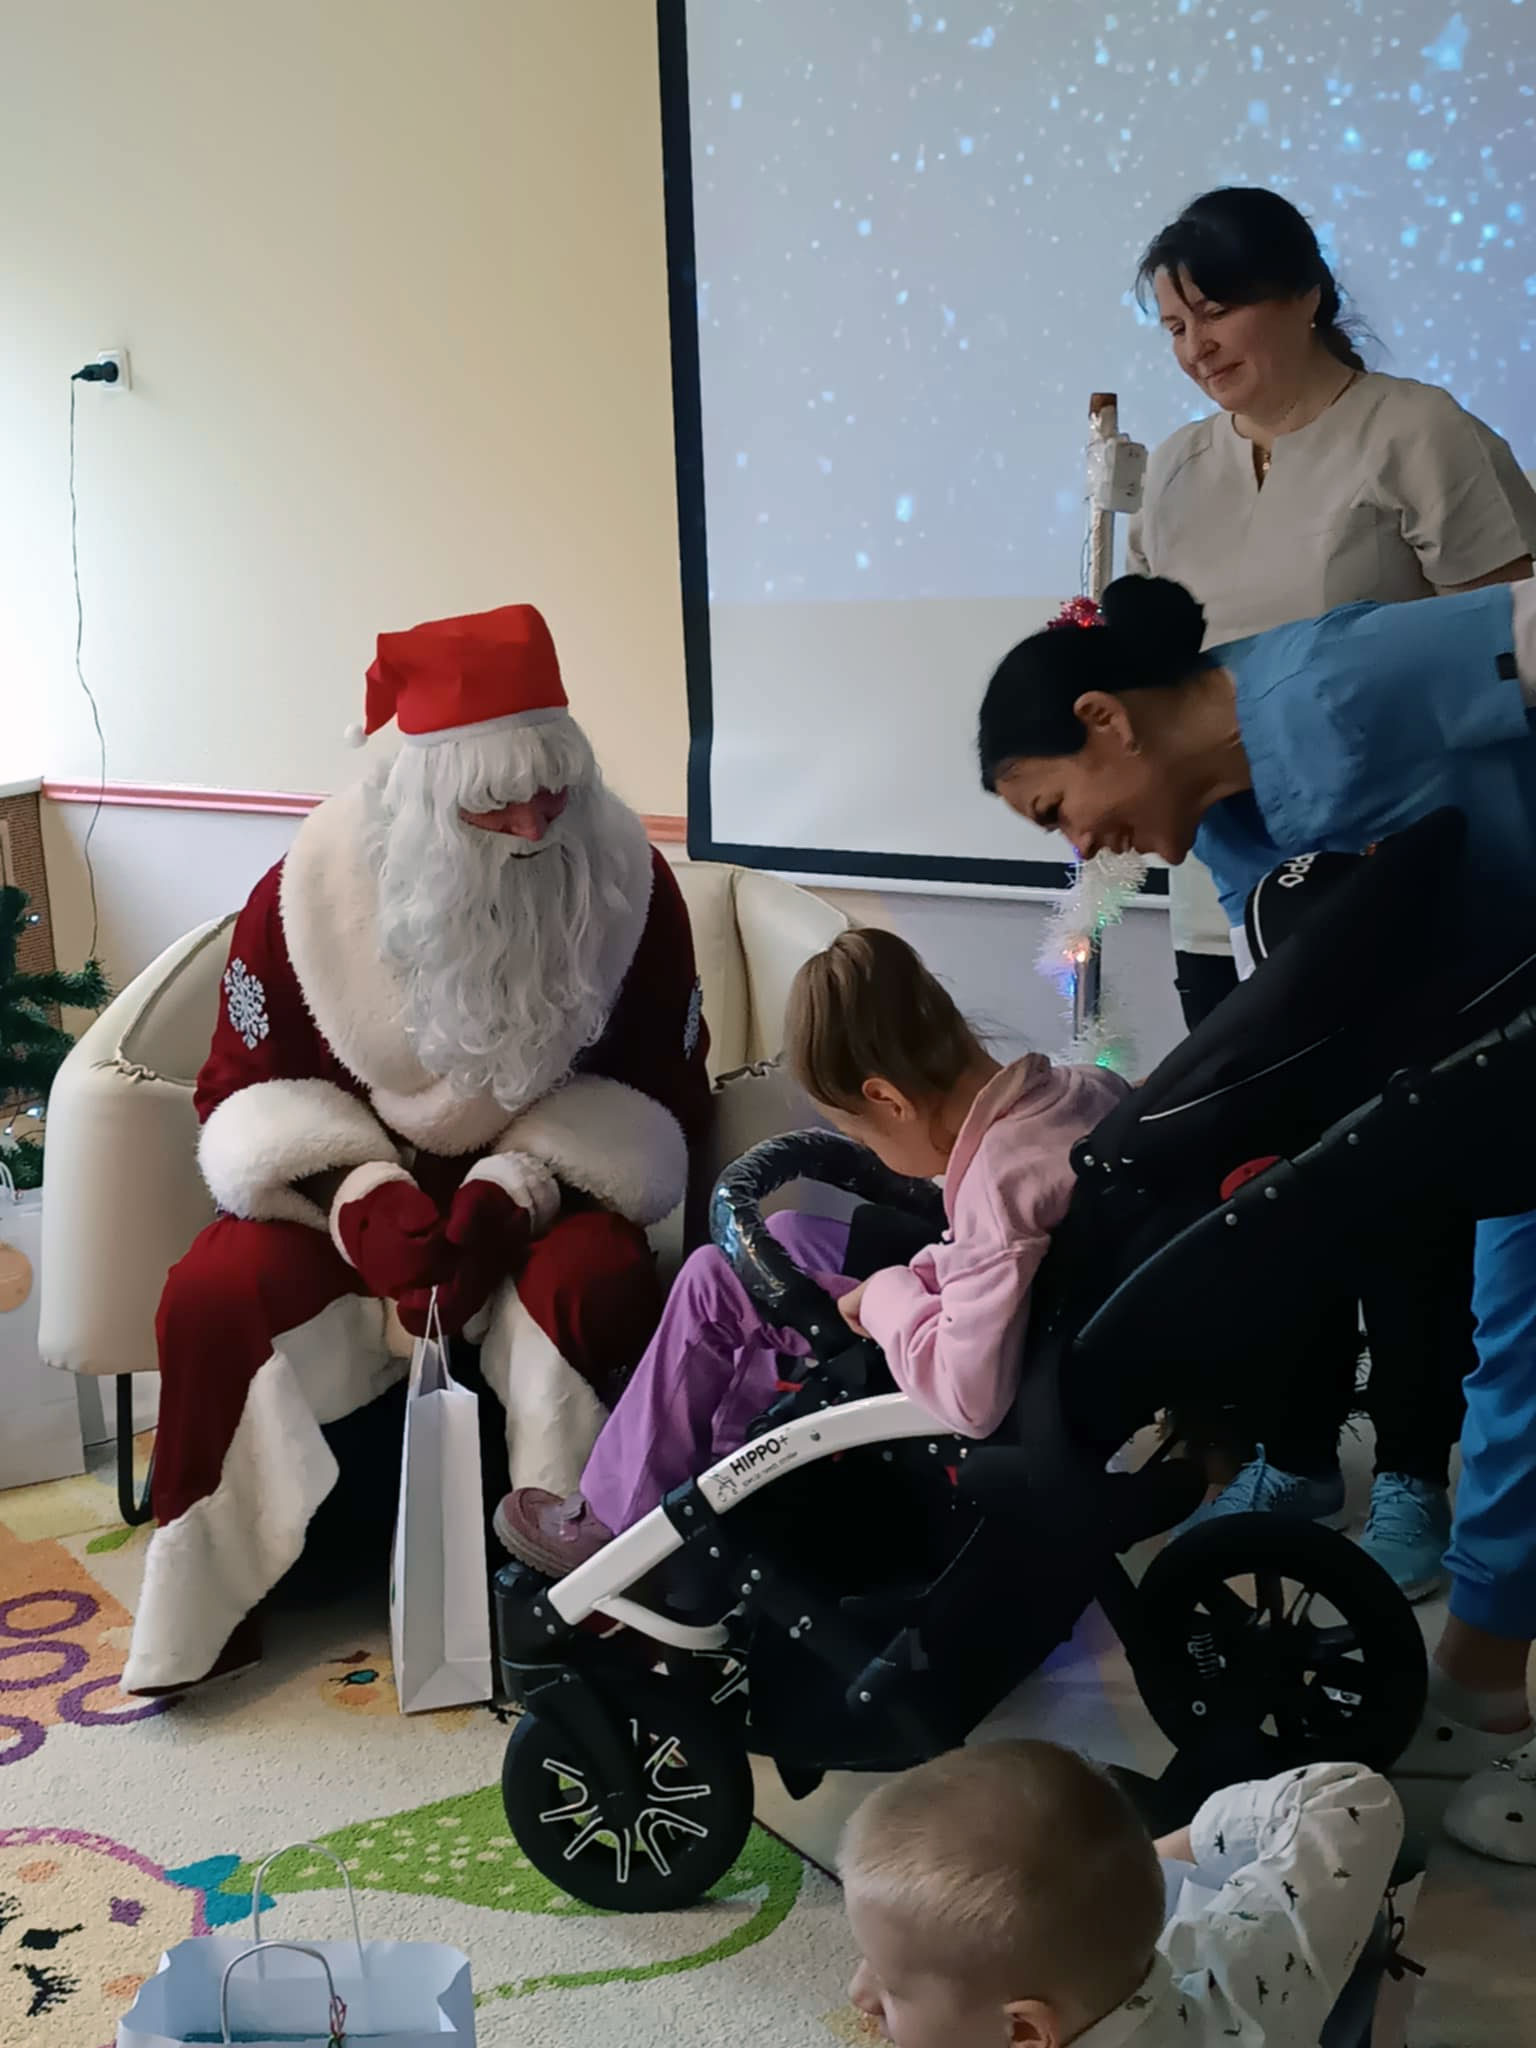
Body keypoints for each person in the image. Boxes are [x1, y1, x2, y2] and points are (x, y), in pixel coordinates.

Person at [975, 570, 1536, 1862]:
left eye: (1062, 809)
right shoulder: (1229, 827)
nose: (1082, 847)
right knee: (1515, 1371)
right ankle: (1481, 1684)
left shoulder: (1344, 677)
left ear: (1108, 719)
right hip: (1504, 1066)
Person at [124, 603, 711, 1697]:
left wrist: (516, 1187)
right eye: (500, 800)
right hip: (350, 1202)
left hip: (547, 1198)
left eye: (555, 787)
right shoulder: (304, 892)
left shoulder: (626, 882)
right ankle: (209, 1611)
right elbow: (243, 1086)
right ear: (432, 797)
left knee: (594, 1285)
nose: (537, 825)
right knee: (215, 1290)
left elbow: (657, 1093)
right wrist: (357, 1195)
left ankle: (571, 1603)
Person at [1125, 184, 1536, 1593]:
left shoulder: (1421, 436)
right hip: (1231, 889)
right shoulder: (1176, 469)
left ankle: (1417, 1470)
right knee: (1257, 1177)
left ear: (1304, 289)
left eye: (1216, 310)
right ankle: (1293, 1445)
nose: (1195, 347)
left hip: (1411, 894)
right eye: (1171, 324)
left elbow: (1516, 644)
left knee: (1411, 1180)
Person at [494, 927, 1127, 1577]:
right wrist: (921, 1276)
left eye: (860, 1132)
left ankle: (622, 1528)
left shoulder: (995, 1187)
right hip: (1037, 1321)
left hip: (983, 1373)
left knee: (717, 1283)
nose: (874, 1154)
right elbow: (996, 1259)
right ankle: (701, 1480)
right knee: (790, 1235)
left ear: (887, 1100)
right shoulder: (1085, 1092)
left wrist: (887, 1295)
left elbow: (971, 1395)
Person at [841, 1740, 1404, 2047]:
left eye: (891, 1988)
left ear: (1022, 2033)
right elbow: (1348, 1799)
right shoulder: (1234, 1964)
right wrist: (1160, 1857)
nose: (857, 1992)